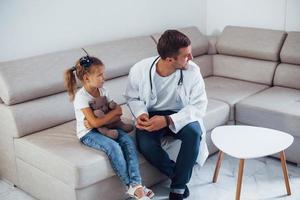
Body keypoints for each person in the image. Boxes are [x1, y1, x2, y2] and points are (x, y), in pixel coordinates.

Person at [125, 30, 208, 200]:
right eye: (186, 55)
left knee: (194, 133)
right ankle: (179, 177)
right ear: (170, 59)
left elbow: (199, 105)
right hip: (151, 114)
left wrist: (168, 120)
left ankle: (177, 188)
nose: (191, 57)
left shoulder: (192, 71)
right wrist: (141, 114)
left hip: (180, 114)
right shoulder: (140, 69)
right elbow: (132, 97)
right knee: (146, 146)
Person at [64, 52, 154, 200]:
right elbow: (94, 123)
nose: (103, 78)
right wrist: (110, 115)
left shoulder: (103, 91)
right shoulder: (81, 97)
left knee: (128, 142)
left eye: (103, 74)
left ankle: (136, 185)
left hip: (108, 126)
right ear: (86, 78)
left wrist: (108, 116)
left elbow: (117, 113)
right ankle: (132, 187)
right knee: (114, 147)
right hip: (89, 133)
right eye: (99, 75)